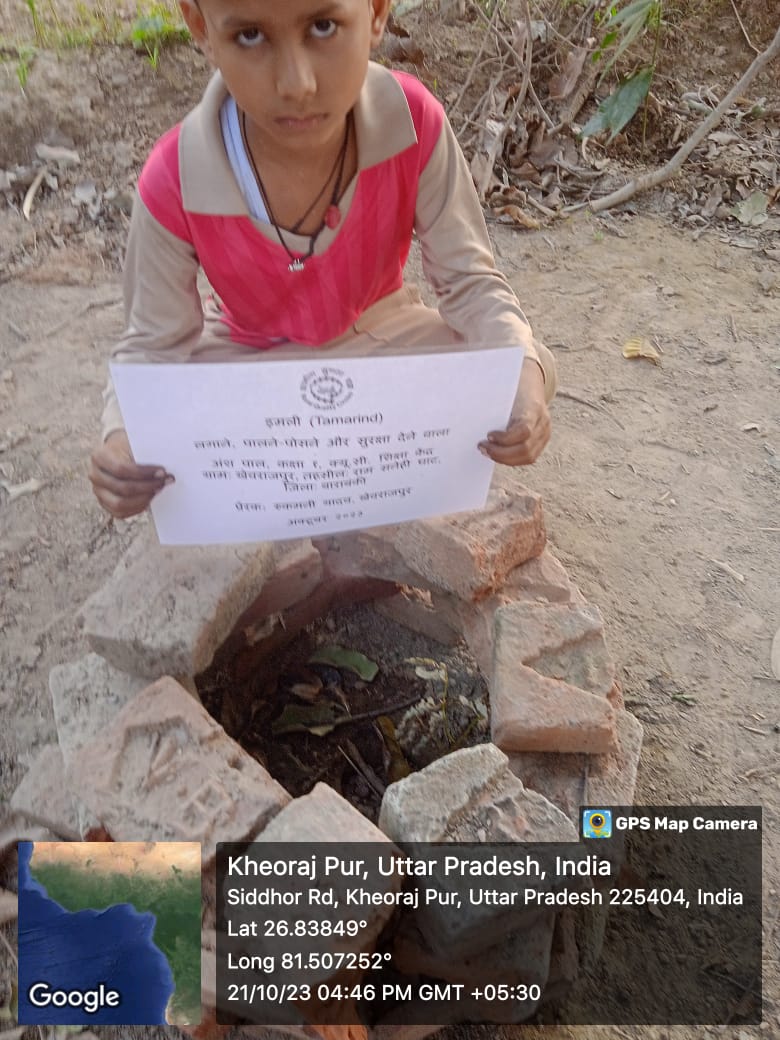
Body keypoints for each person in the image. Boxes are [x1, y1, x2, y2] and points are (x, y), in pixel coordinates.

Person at [89, 0, 557, 520]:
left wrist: (522, 379)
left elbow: (471, 284)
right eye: (248, 35)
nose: (296, 84)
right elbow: (152, 347)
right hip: (248, 363)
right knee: (161, 425)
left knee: (513, 366)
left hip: (382, 339)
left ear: (377, 12)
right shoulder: (174, 178)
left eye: (323, 26)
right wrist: (123, 440)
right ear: (201, 27)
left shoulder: (412, 121)